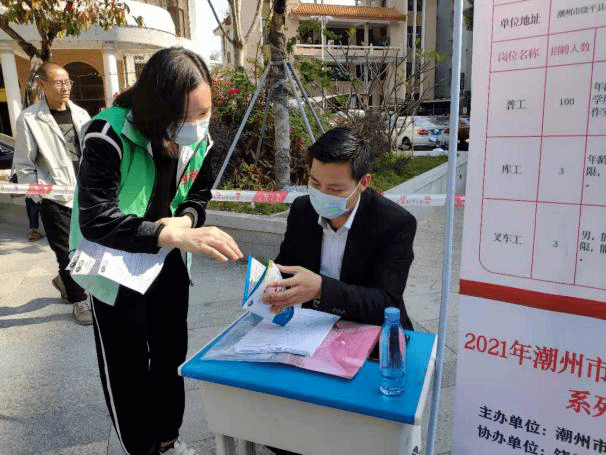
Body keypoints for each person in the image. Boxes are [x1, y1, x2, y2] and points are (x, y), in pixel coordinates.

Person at [70, 47, 243, 455]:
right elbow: (96, 218)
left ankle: (168, 438)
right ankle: (142, 448)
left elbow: (198, 195)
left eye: (206, 112)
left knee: (170, 355)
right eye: (188, 115)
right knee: (127, 367)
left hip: (168, 262)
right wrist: (168, 233)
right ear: (159, 107)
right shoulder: (108, 133)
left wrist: (187, 221)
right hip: (113, 268)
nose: (199, 125)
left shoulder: (199, 140)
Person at [263, 127, 417, 455]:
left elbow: (387, 302)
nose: (322, 195)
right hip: (310, 333)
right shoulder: (302, 210)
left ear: (364, 182)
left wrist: (321, 288)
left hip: (372, 339)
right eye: (314, 182)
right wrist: (268, 285)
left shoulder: (394, 223)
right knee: (282, 426)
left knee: (355, 435)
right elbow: (284, 267)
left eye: (335, 189)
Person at [12, 62, 92, 324]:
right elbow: (24, 164)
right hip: (53, 197)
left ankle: (64, 280)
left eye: (68, 82)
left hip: (84, 194)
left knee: (88, 249)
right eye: (58, 82)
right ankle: (79, 301)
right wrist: (39, 196)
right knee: (66, 253)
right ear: (42, 85)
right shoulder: (29, 118)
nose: (65, 87)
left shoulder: (81, 114)